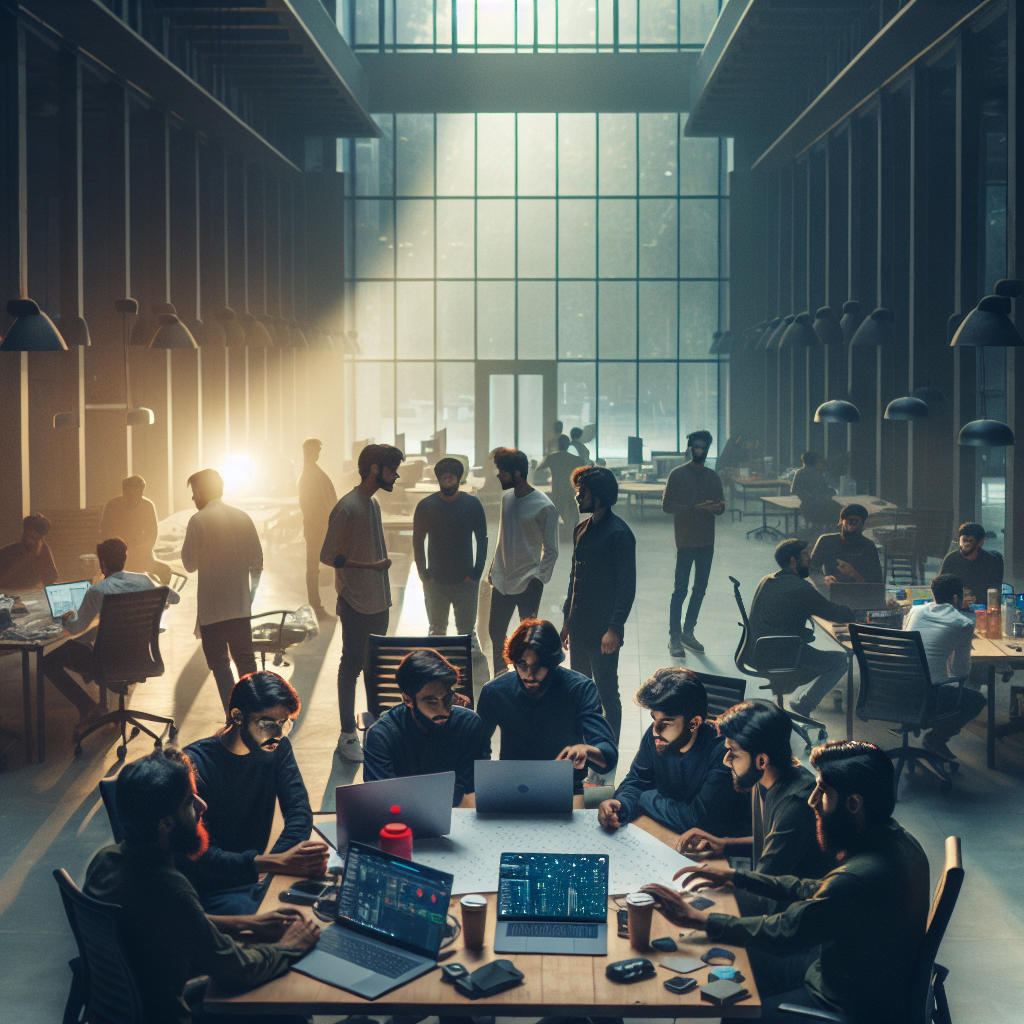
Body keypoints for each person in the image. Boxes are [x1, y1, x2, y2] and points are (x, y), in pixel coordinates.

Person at [640, 740, 930, 1024]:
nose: (813, 801)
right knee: (743, 958)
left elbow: (785, 933)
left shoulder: (858, 876)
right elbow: (819, 890)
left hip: (846, 1003)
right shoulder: (899, 842)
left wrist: (700, 920)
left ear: (854, 804)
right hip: (851, 976)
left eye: (823, 792)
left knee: (737, 1011)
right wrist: (738, 877)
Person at [84, 746, 319, 1023]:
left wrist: (242, 923)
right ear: (166, 822)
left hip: (131, 1011)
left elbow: (165, 919)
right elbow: (236, 969)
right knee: (289, 1007)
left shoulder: (105, 862)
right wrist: (291, 945)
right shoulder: (168, 887)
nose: (201, 806)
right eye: (188, 802)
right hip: (172, 1016)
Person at [183, 672, 326, 915]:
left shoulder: (276, 746)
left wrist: (281, 861)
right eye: (267, 723)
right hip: (211, 891)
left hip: (254, 876)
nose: (278, 733)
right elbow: (202, 857)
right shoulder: (196, 766)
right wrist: (272, 864)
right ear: (238, 716)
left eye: (284, 723)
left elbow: (298, 810)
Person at [676, 701, 830, 913]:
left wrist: (689, 902)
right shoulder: (766, 777)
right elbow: (773, 840)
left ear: (761, 761)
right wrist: (725, 845)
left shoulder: (795, 806)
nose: (726, 761)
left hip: (794, 918)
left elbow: (760, 891)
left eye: (733, 753)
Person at [42, 537, 180, 733]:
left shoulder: (97, 591)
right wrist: (154, 584)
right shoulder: (145, 580)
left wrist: (67, 618)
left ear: (102, 563)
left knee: (50, 660)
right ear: (125, 558)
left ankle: (88, 707)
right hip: (141, 659)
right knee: (90, 640)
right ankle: (112, 687)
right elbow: (175, 598)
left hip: (106, 663)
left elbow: (76, 628)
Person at [320, 443, 404, 763]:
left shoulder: (372, 504)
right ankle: (346, 733)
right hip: (356, 602)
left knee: (375, 667)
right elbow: (328, 555)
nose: (395, 476)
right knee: (351, 666)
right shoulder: (348, 507)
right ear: (374, 470)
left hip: (378, 602)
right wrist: (369, 568)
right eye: (391, 469)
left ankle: (376, 730)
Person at [599, 668, 743, 836]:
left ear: (694, 723)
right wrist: (621, 804)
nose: (656, 730)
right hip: (665, 831)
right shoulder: (656, 736)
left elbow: (702, 821)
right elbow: (637, 780)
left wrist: (645, 799)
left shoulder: (724, 753)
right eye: (654, 718)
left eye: (666, 722)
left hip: (710, 848)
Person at [477, 619, 617, 792]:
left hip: (565, 788)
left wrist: (587, 750)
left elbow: (608, 754)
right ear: (513, 661)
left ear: (553, 663)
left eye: (539, 665)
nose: (530, 674)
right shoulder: (494, 692)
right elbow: (477, 750)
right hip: (513, 786)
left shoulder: (580, 689)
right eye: (522, 664)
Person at [560, 466, 636, 744]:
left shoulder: (619, 534)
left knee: (606, 694)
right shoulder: (581, 529)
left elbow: (627, 587)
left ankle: (608, 748)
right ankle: (583, 744)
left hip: (604, 630)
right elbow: (574, 578)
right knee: (580, 689)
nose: (579, 498)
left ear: (601, 496)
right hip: (579, 627)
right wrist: (567, 621)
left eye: (584, 493)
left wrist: (614, 628)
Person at [363, 649, 491, 806]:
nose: (444, 710)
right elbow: (384, 801)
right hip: (405, 823)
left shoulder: (469, 725)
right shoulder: (381, 736)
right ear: (408, 700)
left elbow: (474, 793)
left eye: (448, 698)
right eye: (431, 700)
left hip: (457, 819)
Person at [181, 469, 262, 713]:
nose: (193, 498)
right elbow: (257, 562)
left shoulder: (198, 521)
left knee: (220, 665)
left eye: (194, 492)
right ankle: (254, 715)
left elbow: (189, 564)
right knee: (247, 664)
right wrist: (249, 598)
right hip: (240, 609)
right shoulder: (242, 517)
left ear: (203, 491)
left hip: (212, 612)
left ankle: (234, 717)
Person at [748, 538, 855, 719]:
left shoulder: (767, 580)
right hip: (782, 655)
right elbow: (839, 615)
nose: (810, 559)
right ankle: (805, 704)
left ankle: (797, 697)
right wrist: (847, 597)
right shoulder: (799, 588)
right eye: (805, 555)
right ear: (792, 560)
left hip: (755, 651)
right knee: (840, 660)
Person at [486, 447, 559, 678]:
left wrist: (538, 579)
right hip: (501, 579)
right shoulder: (507, 499)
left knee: (527, 638)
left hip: (528, 581)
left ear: (517, 473)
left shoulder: (544, 505)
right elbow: (502, 540)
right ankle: (499, 674)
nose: (499, 476)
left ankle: (523, 675)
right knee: (495, 631)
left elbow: (552, 550)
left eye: (502, 472)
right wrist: (493, 570)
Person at [902, 573, 987, 761]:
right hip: (930, 697)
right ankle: (936, 737)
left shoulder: (915, 611)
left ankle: (930, 734)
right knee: (977, 700)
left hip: (900, 692)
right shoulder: (962, 622)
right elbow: (960, 671)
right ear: (956, 598)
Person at [662, 429, 725, 657]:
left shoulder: (712, 476)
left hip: (707, 540)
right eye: (697, 446)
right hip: (686, 540)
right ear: (690, 447)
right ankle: (674, 637)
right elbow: (667, 506)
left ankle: (688, 633)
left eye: (704, 446)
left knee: (700, 588)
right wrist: (694, 508)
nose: (700, 450)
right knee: (680, 589)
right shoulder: (677, 475)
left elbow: (721, 506)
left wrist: (717, 507)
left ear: (707, 448)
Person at [413, 457, 488, 642]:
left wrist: (476, 573)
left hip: (466, 581)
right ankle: (440, 670)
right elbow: (417, 541)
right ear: (438, 479)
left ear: (459, 478)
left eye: (451, 477)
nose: (448, 481)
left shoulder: (472, 505)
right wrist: (424, 574)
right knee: (437, 632)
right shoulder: (425, 506)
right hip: (435, 581)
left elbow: (482, 540)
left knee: (467, 634)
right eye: (444, 477)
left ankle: (466, 670)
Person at [99, 475, 172, 583]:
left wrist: (144, 549)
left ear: (142, 492)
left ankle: (158, 598)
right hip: (118, 557)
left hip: (142, 556)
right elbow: (106, 533)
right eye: (128, 493)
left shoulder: (147, 506)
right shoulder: (112, 506)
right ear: (123, 491)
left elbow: (152, 533)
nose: (131, 498)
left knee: (165, 571)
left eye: (137, 493)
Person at [297, 438, 337, 620]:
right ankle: (315, 607)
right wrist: (323, 526)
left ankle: (317, 606)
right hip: (317, 528)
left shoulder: (313, 472)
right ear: (307, 452)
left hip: (321, 526)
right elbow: (312, 506)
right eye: (315, 450)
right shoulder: (309, 475)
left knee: (315, 567)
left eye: (319, 450)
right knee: (313, 568)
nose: (318, 454)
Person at [808, 503, 882, 584]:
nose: (851, 526)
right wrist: (825, 579)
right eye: (848, 521)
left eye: (856, 522)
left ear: (862, 524)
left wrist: (854, 575)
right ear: (841, 521)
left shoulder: (868, 546)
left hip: (859, 593)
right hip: (831, 591)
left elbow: (876, 581)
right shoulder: (826, 541)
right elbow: (812, 570)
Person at [535, 435, 587, 538]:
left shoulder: (552, 458)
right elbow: (586, 466)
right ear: (568, 445)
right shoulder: (575, 459)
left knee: (553, 515)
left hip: (557, 492)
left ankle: (553, 537)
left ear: (558, 445)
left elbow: (538, 469)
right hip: (569, 492)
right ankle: (574, 536)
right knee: (574, 516)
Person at [939, 521, 1004, 604]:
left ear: (981, 542)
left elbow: (995, 592)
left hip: (982, 608)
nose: (965, 545)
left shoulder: (991, 561)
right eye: (963, 541)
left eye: (970, 541)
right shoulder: (951, 559)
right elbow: (940, 589)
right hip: (956, 607)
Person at [0, 513, 58, 592]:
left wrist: (41, 585)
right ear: (23, 534)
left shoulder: (43, 550)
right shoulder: (8, 552)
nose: (31, 541)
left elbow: (52, 577)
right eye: (29, 536)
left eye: (36, 539)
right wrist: (26, 559)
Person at [789, 451, 836, 536]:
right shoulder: (818, 473)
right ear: (816, 461)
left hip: (807, 508)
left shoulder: (799, 473)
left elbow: (794, 491)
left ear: (803, 461)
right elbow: (825, 490)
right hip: (822, 507)